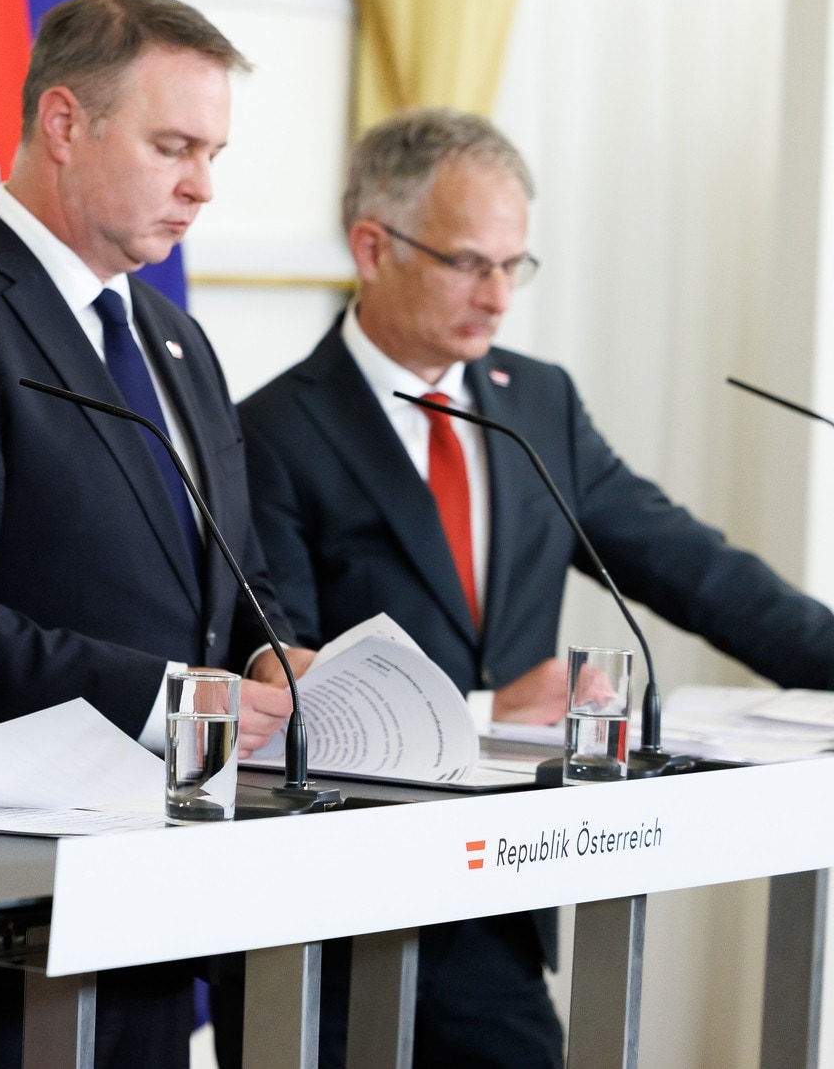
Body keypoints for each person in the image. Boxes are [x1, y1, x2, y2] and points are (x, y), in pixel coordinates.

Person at [230, 106, 834, 1069]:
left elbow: (694, 568)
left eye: (516, 265)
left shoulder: (536, 402)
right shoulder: (269, 433)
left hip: (498, 903)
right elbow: (286, 685)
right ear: (372, 247)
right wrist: (484, 716)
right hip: (331, 919)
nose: (500, 296)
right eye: (471, 263)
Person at [0, 0, 295, 1068]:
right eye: (174, 147)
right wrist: (175, 702)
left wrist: (273, 656)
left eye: (213, 154)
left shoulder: (174, 339)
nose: (202, 185)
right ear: (64, 123)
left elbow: (234, 576)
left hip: (157, 898)